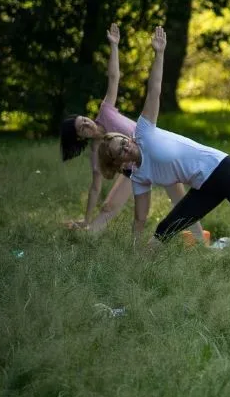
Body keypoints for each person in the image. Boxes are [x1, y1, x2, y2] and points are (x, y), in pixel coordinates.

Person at [95, 27, 230, 269]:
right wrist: (134, 246)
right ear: (118, 163)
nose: (126, 146)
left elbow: (154, 90)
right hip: (204, 187)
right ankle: (139, 271)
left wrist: (159, 53)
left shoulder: (144, 132)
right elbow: (140, 218)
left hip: (222, 169)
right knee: (164, 229)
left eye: (123, 141)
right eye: (120, 150)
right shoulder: (139, 176)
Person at [59, 23, 203, 239]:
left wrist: (115, 46)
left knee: (180, 202)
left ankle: (202, 242)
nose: (88, 123)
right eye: (82, 126)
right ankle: (88, 236)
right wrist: (86, 219)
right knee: (109, 207)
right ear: (80, 136)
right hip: (135, 170)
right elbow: (95, 188)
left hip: (155, 150)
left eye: (85, 119)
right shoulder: (97, 152)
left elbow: (114, 78)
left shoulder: (106, 111)